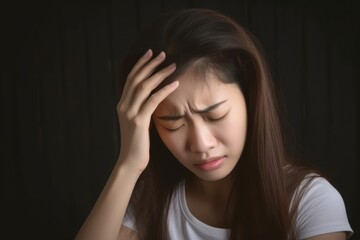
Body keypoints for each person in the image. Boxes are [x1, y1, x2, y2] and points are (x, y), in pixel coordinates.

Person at [75, 8, 353, 240]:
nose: (201, 143)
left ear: (249, 96)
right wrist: (128, 165)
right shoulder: (151, 200)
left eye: (214, 115)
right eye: (173, 123)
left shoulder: (310, 202)